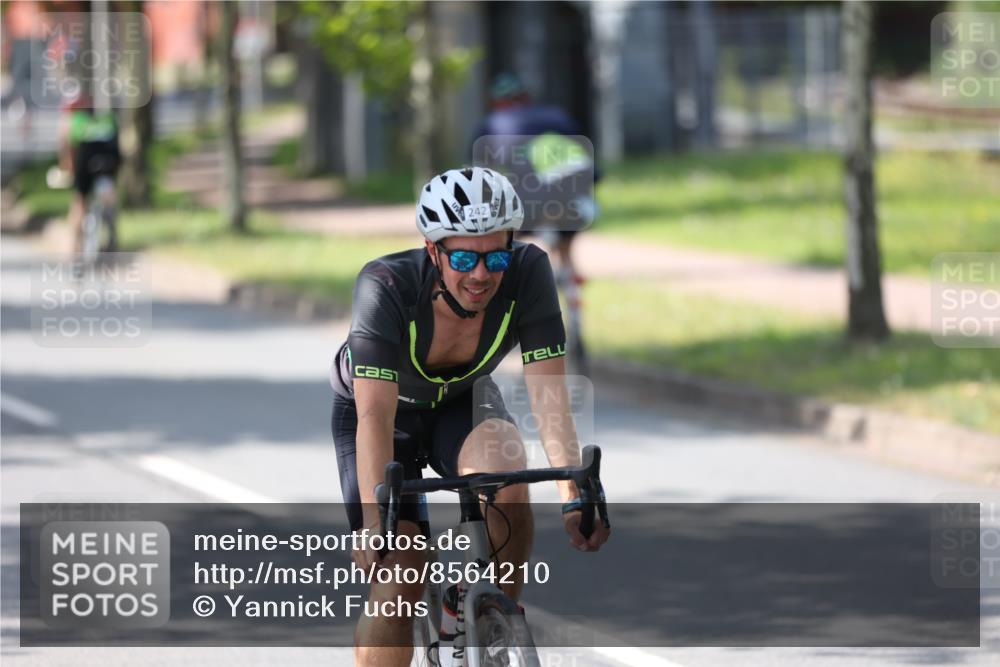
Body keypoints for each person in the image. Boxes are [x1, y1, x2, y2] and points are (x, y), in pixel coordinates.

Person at [329, 166, 609, 666]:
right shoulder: (386, 285)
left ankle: (496, 622)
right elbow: (373, 414)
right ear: (433, 250)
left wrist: (573, 493)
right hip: (382, 415)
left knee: (507, 477)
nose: (481, 275)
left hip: (460, 400)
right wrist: (376, 523)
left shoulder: (528, 271)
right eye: (463, 258)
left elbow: (548, 393)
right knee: (402, 573)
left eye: (495, 256)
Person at [470, 72, 597, 283]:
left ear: (496, 102)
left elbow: (478, 176)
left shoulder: (491, 124)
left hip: (531, 203)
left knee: (506, 241)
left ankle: (510, 282)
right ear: (526, 97)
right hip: (580, 204)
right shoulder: (556, 115)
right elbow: (586, 159)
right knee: (566, 237)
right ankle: (570, 278)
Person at [58, 91, 120, 255]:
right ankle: (112, 236)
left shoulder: (77, 121)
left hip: (84, 165)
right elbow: (118, 152)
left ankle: (75, 249)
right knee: (109, 198)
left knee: (79, 203)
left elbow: (67, 147)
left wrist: (67, 167)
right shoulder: (109, 119)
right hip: (106, 165)